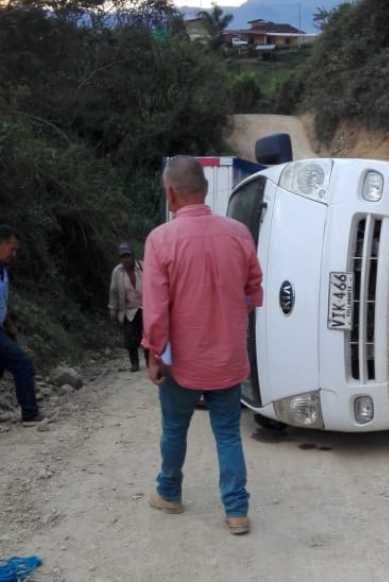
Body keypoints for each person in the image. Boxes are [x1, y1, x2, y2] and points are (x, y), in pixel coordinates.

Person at [142, 155, 263, 536]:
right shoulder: (239, 233)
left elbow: (157, 311)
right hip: (228, 359)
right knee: (227, 433)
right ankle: (236, 512)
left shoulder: (161, 240)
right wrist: (227, 316)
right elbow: (254, 291)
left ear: (170, 193)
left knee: (174, 429)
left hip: (182, 363)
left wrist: (154, 355)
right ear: (205, 190)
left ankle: (169, 493)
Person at [0, 225, 42, 424]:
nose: (14, 253)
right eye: (12, 248)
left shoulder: (4, 271)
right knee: (22, 363)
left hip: (2, 328)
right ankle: (30, 413)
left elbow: (2, 302)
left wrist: (9, 325)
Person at [108, 242, 147, 372]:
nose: (126, 259)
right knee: (130, 338)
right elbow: (113, 291)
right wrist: (112, 309)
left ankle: (149, 361)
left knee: (147, 336)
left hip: (144, 307)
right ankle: (134, 363)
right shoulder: (117, 272)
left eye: (128, 256)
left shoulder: (142, 266)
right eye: (123, 256)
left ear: (132, 256)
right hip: (128, 309)